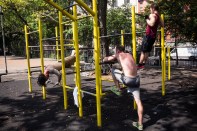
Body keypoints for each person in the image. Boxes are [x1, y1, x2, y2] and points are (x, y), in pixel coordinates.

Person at [103, 45, 144, 130]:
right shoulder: (129, 54)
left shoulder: (118, 55)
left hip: (128, 80)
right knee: (138, 101)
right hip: (136, 80)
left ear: (118, 50)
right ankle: (140, 124)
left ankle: (118, 89)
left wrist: (105, 58)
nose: (115, 51)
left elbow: (106, 59)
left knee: (113, 70)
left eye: (115, 50)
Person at [137, 3, 164, 69]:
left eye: (150, 9)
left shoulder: (152, 15)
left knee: (143, 51)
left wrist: (147, 19)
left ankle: (140, 65)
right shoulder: (159, 16)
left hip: (148, 35)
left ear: (153, 8)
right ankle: (143, 64)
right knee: (147, 51)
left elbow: (151, 24)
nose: (150, 10)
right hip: (153, 36)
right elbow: (162, 25)